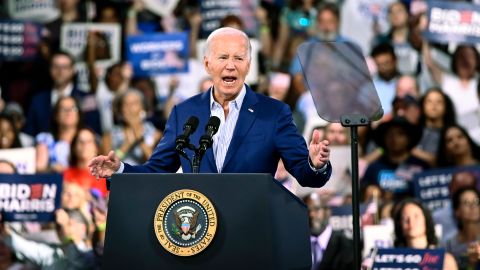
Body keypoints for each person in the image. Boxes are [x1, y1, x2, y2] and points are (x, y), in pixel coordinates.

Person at [89, 27, 332, 188]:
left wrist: (315, 164)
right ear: (207, 64)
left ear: (248, 65)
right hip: (198, 232)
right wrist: (120, 170)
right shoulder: (184, 113)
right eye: (223, 57)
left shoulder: (274, 113)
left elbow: (305, 173)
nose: (230, 66)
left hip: (252, 230)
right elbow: (158, 171)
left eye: (238, 58)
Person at [393, 198, 458, 270]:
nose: (411, 222)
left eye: (416, 216)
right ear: (399, 225)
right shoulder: (392, 262)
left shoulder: (445, 260)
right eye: (405, 218)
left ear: (426, 220)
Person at [303, 193, 354, 270]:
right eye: (307, 210)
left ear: (327, 212)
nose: (311, 214)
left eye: (316, 209)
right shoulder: (298, 244)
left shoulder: (346, 244)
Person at [444, 187, 480, 269]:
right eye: (466, 203)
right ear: (457, 211)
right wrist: (471, 263)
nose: (473, 206)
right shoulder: (449, 244)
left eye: (476, 201)